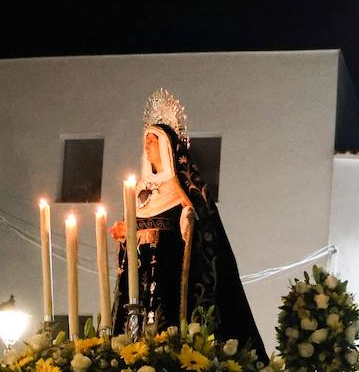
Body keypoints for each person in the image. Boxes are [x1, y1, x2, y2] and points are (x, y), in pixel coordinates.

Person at [112, 91, 264, 356]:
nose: (146, 146)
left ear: (166, 147)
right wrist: (126, 234)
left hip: (168, 272)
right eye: (145, 141)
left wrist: (187, 219)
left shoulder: (182, 187)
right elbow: (136, 236)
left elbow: (198, 226)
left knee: (165, 324)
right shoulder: (139, 192)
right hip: (141, 276)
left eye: (152, 140)